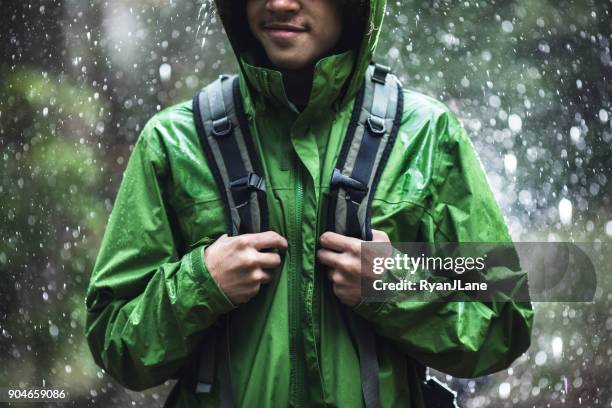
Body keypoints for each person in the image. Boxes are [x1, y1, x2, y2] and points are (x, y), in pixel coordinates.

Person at [85, 0, 534, 406]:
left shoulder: (426, 134)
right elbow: (114, 340)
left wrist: (391, 283)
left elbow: (503, 320)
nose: (280, 3)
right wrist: (201, 284)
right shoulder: (174, 142)